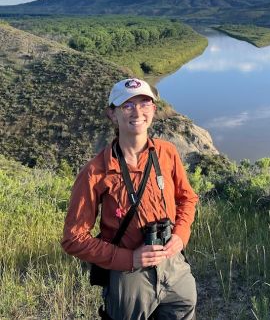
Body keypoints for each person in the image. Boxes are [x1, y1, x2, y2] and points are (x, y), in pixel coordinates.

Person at [62, 77, 199, 320]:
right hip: (130, 273)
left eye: (145, 103)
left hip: (173, 264)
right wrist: (129, 258)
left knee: (183, 307)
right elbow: (73, 239)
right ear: (112, 115)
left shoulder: (167, 152)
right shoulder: (95, 171)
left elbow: (187, 198)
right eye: (127, 105)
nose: (138, 111)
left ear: (154, 110)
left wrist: (180, 234)